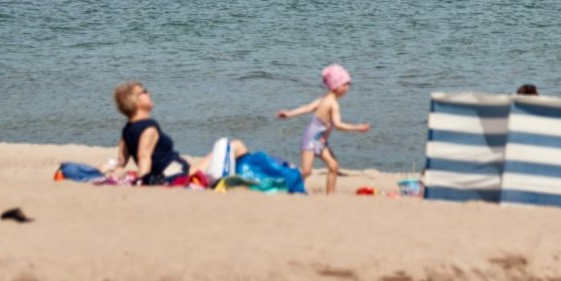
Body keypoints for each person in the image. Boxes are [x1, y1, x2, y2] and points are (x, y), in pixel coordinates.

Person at [111, 81, 248, 185]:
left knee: (229, 146)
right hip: (179, 175)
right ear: (136, 101)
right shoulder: (149, 127)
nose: (149, 94)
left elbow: (121, 161)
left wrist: (115, 171)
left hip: (176, 171)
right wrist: (144, 181)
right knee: (234, 145)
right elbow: (144, 155)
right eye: (145, 92)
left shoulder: (127, 130)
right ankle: (251, 177)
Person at [276, 64, 370, 195]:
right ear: (336, 86)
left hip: (320, 140)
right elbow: (338, 125)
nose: (348, 88)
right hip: (311, 140)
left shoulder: (324, 99)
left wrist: (289, 114)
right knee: (306, 171)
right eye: (345, 84)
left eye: (348, 84)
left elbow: (307, 107)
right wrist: (357, 127)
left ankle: (330, 195)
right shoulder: (332, 104)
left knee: (333, 165)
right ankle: (284, 187)